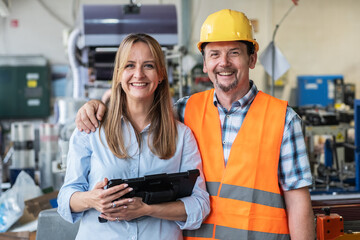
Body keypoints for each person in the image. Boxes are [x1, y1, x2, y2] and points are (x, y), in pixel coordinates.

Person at [75, 10, 315, 240]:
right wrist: (98, 105)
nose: (224, 63)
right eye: (214, 54)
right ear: (204, 64)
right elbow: (139, 109)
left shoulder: (283, 119)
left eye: (234, 53)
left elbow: (298, 202)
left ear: (252, 58)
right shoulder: (184, 111)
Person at [57, 33, 210, 240]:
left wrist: (147, 209)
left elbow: (200, 205)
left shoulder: (182, 136)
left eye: (148, 66)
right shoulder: (92, 128)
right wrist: (92, 199)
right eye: (129, 65)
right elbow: (66, 198)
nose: (138, 74)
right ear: (118, 73)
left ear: (161, 74)